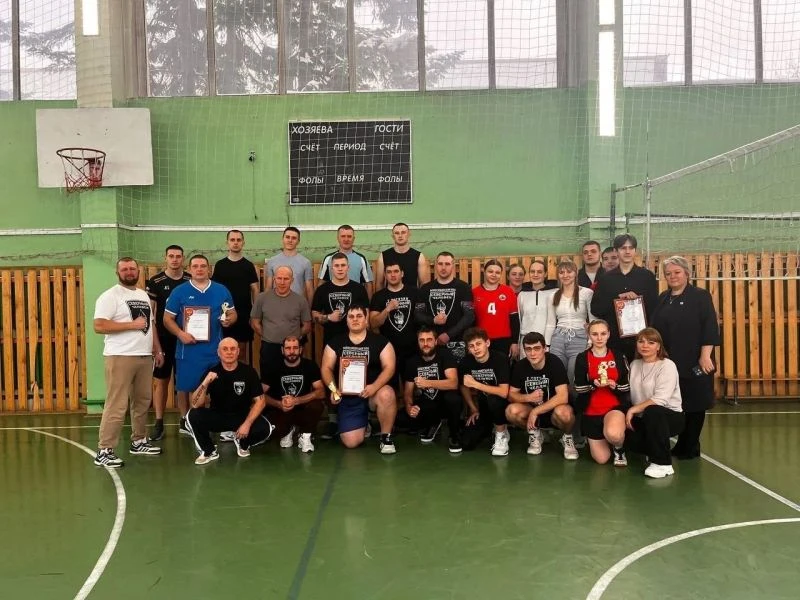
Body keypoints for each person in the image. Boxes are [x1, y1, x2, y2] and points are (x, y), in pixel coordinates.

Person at [93, 257, 162, 467]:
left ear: (138, 271)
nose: (129, 272)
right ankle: (105, 450)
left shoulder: (142, 294)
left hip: (144, 356)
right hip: (120, 356)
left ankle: (139, 440)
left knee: (142, 401)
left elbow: (150, 324)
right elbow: (99, 326)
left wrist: (157, 349)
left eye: (132, 268)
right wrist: (131, 325)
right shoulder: (110, 296)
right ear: (118, 273)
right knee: (117, 404)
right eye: (124, 269)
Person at [650, 256, 719, 460]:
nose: (672, 276)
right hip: (670, 361)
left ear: (687, 273)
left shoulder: (700, 296)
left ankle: (690, 446)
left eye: (677, 272)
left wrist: (705, 355)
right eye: (668, 273)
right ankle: (683, 444)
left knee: (695, 402)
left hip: (695, 360)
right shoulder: (663, 298)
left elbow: (710, 326)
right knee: (677, 402)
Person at [163, 254, 236, 435]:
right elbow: (167, 319)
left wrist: (229, 320)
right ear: (189, 269)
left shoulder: (221, 290)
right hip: (188, 350)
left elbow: (232, 313)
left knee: (218, 388)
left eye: (203, 266)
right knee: (187, 387)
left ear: (209, 269)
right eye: (195, 266)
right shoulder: (179, 291)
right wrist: (180, 334)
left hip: (215, 350)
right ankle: (187, 421)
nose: (199, 269)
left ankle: (219, 422)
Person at [321, 305, 398, 453]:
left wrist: (374, 387)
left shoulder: (381, 342)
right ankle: (364, 424)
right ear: (346, 321)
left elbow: (389, 368)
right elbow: (326, 368)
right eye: (351, 317)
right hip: (348, 397)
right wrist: (334, 390)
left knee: (387, 394)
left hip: (372, 393)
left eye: (359, 316)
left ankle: (386, 438)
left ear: (366, 319)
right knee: (351, 443)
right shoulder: (335, 342)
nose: (355, 319)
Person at [187, 338, 274, 464]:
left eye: (233, 349)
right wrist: (205, 383)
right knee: (193, 415)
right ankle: (208, 451)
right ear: (218, 352)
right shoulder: (212, 372)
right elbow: (195, 404)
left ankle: (242, 442)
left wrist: (247, 424)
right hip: (218, 416)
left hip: (241, 417)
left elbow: (260, 401)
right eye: (225, 349)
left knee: (266, 429)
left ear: (238, 352)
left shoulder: (249, 372)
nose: (229, 352)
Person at [312, 252, 370, 438]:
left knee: (358, 377)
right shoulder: (323, 290)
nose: (339, 269)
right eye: (336, 266)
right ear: (331, 268)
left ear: (348, 267)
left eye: (343, 265)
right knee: (331, 377)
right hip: (331, 342)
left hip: (356, 342)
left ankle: (363, 418)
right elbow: (314, 314)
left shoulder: (358, 289)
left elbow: (366, 314)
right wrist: (328, 317)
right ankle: (332, 419)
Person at [506, 332, 578, 459]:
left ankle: (567, 437)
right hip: (531, 411)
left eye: (537, 348)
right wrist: (528, 397)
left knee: (565, 414)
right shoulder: (520, 366)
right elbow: (511, 395)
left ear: (545, 349)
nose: (532, 353)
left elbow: (563, 396)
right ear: (524, 350)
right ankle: (536, 434)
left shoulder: (554, 362)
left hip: (554, 411)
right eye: (528, 349)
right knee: (511, 411)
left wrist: (536, 411)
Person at [625, 328, 684, 478]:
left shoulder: (667, 365)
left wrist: (632, 410)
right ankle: (650, 449)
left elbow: (661, 399)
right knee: (626, 437)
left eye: (651, 342)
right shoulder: (634, 365)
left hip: (668, 417)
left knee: (653, 410)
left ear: (658, 346)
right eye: (641, 341)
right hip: (642, 417)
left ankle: (663, 464)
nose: (645, 345)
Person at [145, 244, 190, 441]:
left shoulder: (190, 280)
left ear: (183, 259)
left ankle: (184, 420)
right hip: (163, 339)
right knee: (161, 380)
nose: (174, 259)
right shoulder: (156, 282)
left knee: (183, 380)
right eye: (171, 256)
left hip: (185, 339)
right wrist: (155, 345)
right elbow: (151, 316)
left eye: (178, 256)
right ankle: (159, 422)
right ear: (165, 258)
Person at [591, 234, 658, 362]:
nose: (627, 251)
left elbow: (655, 308)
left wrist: (637, 301)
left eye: (631, 248)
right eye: (623, 248)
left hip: (640, 340)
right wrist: (617, 300)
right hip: (614, 339)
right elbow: (595, 309)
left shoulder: (647, 277)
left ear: (635, 250)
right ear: (616, 251)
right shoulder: (606, 279)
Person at [574, 320, 630, 466]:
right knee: (602, 459)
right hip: (591, 411)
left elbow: (627, 386)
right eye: (595, 334)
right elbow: (578, 388)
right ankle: (601, 437)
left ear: (609, 334)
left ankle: (619, 447)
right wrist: (593, 385)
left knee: (614, 434)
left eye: (603, 333)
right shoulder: (582, 357)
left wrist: (614, 386)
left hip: (614, 408)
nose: (599, 338)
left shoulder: (618, 356)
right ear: (589, 335)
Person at [403, 325, 463, 452]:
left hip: (446, 403)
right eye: (422, 340)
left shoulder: (445, 354)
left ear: (436, 341)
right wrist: (409, 407)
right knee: (401, 420)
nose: (425, 344)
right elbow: (408, 391)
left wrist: (428, 383)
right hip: (427, 403)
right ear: (418, 342)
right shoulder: (412, 361)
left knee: (453, 399)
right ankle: (433, 423)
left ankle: (454, 435)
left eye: (429, 340)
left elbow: (453, 383)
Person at [261, 336, 325, 453]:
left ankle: (305, 435)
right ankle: (288, 431)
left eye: (295, 348)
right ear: (282, 350)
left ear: (300, 349)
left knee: (317, 405)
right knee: (273, 432)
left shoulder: (310, 365)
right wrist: (279, 404)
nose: (291, 351)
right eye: (288, 348)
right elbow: (259, 395)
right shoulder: (272, 367)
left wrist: (297, 400)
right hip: (282, 410)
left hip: (303, 409)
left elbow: (321, 392)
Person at [250, 265, 312, 384]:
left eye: (286, 279)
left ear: (292, 280)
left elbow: (307, 326)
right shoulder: (262, 298)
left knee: (291, 380)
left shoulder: (300, 300)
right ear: (274, 279)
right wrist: (268, 336)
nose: (282, 282)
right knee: (268, 380)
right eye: (279, 278)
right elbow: (255, 322)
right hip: (269, 347)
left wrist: (294, 338)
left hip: (292, 349)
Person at [414, 251, 475, 363]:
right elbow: (417, 315)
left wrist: (449, 335)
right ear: (436, 265)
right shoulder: (425, 289)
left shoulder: (464, 287)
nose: (443, 267)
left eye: (447, 264)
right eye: (440, 264)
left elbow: (469, 316)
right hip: (432, 344)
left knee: (457, 373)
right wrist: (433, 320)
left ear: (453, 265)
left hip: (457, 342)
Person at [458, 328, 511, 455]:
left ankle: (501, 434)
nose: (476, 348)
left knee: (494, 399)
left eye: (478, 344)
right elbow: (463, 386)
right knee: (466, 443)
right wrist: (473, 408)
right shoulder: (466, 362)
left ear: (487, 343)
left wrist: (476, 384)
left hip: (502, 406)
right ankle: (489, 429)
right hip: (483, 407)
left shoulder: (500, 359)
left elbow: (504, 392)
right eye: (471, 346)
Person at [545, 260, 595, 390]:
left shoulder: (586, 293)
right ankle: (559, 401)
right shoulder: (552, 295)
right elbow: (550, 322)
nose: (565, 275)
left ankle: (573, 401)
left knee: (574, 374)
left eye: (569, 272)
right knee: (557, 373)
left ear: (575, 273)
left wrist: (591, 341)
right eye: (561, 272)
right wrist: (547, 345)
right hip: (558, 338)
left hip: (579, 337)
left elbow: (593, 320)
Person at [211, 230, 259, 359]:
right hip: (223, 314)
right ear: (227, 243)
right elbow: (214, 290)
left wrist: (255, 314)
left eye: (238, 240)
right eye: (232, 240)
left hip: (243, 314)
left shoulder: (248, 266)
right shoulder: (220, 265)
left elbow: (255, 290)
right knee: (222, 349)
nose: (236, 242)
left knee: (240, 351)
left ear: (243, 243)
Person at [369, 260, 417, 389]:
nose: (393, 275)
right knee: (390, 389)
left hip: (412, 350)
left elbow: (422, 319)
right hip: (388, 350)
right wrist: (387, 309)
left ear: (402, 273)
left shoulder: (414, 293)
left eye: (396, 271)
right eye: (389, 272)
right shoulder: (378, 297)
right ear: (385, 275)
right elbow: (373, 323)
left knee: (413, 389)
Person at [472, 259, 519, 358]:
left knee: (502, 366)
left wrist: (514, 342)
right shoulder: (474, 292)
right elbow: (471, 320)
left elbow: (514, 319)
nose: (494, 275)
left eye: (497, 272)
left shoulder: (508, 292)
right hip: (481, 340)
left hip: (504, 340)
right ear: (484, 272)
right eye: (490, 271)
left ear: (501, 274)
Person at [318, 224, 374, 297]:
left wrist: (368, 303)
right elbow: (321, 283)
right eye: (343, 236)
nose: (346, 239)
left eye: (349, 236)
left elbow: (368, 285)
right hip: (333, 300)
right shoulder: (329, 258)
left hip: (355, 301)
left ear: (353, 239)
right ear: (338, 238)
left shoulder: (361, 259)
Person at [265, 226, 315, 304]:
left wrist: (310, 309)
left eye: (294, 238)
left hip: (298, 305)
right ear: (283, 239)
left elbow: (309, 289)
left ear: (298, 241)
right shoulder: (272, 261)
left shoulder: (306, 263)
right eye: (287, 237)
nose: (290, 240)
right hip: (276, 305)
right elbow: (268, 288)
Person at [517, 259, 556, 357]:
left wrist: (548, 343)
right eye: (532, 271)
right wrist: (518, 343)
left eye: (539, 272)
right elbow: (520, 320)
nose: (535, 274)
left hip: (546, 341)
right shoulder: (522, 294)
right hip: (526, 341)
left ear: (545, 274)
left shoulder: (554, 292)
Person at [375, 222, 431, 290]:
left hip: (412, 295)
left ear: (409, 234)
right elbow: (379, 283)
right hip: (390, 296)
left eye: (403, 232)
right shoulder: (383, 256)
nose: (400, 236)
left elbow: (423, 284)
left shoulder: (419, 256)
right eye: (397, 233)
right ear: (393, 236)